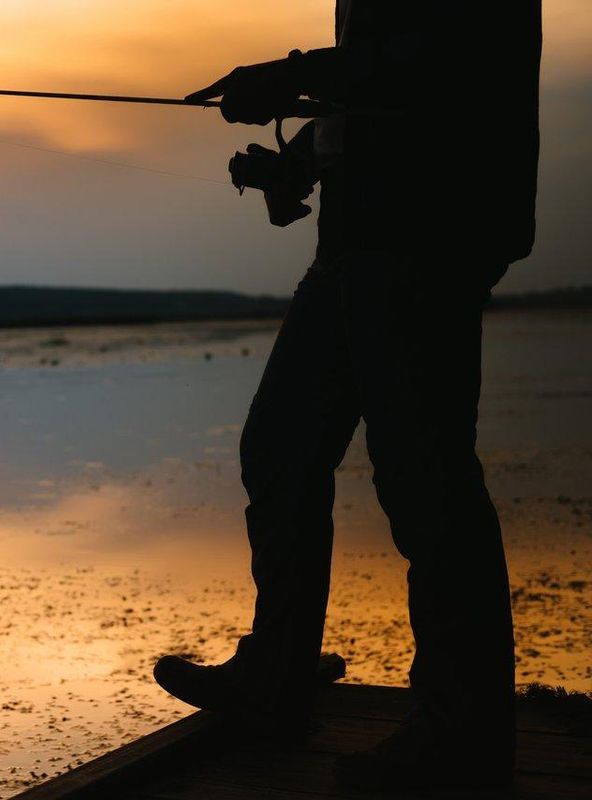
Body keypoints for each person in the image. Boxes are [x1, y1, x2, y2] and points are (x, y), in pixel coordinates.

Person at [153, 1, 541, 790]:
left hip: (428, 240)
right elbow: (374, 98)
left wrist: (287, 76)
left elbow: (434, 65)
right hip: (354, 246)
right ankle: (277, 677)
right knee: (280, 446)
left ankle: (462, 736)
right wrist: (296, 163)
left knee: (427, 483)